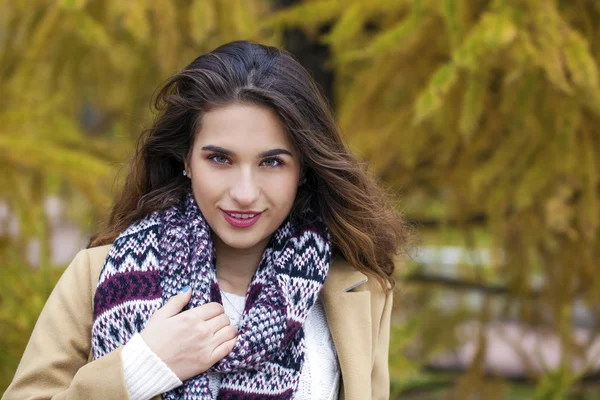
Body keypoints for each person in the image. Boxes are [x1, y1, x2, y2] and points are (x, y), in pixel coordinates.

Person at [3, 40, 408, 400]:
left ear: (303, 168)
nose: (245, 192)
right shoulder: (96, 274)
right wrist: (140, 368)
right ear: (186, 159)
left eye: (271, 162)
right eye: (220, 158)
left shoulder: (358, 289)